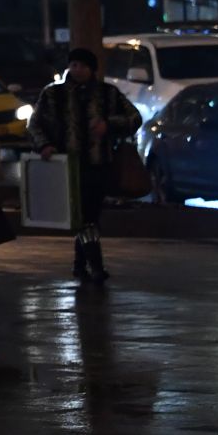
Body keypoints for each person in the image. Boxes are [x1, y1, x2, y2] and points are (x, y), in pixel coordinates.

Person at [28, 47, 141, 284]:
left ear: (92, 69)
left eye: (83, 65)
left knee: (89, 215)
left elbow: (134, 118)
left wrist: (108, 125)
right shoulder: (53, 95)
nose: (77, 70)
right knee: (85, 217)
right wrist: (45, 145)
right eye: (74, 65)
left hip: (98, 163)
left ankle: (81, 264)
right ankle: (95, 265)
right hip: (65, 165)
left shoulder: (107, 93)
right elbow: (35, 123)